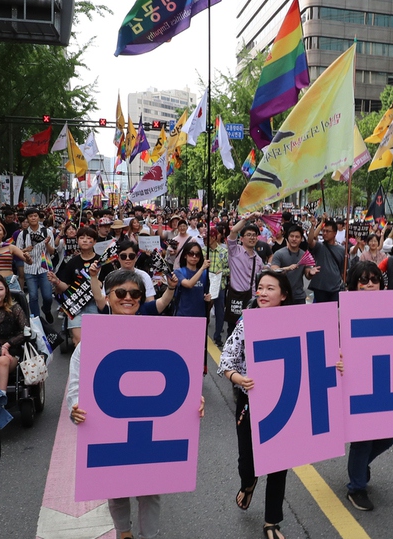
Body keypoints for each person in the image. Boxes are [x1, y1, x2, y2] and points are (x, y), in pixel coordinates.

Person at [68, 268, 198, 539]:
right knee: (115, 486)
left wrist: (194, 399)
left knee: (151, 489)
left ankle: (150, 536)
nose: (128, 298)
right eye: (121, 293)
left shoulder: (159, 333)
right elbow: (77, 382)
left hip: (149, 423)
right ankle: (123, 532)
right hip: (111, 424)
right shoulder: (92, 338)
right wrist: (75, 407)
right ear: (108, 296)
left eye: (135, 293)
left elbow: (178, 376)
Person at [219, 270, 296, 539]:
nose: (262, 293)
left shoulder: (298, 323)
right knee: (247, 461)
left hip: (286, 402)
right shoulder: (246, 322)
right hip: (249, 402)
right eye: (260, 288)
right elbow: (226, 358)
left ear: (284, 295)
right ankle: (248, 483)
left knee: (278, 463)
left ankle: (272, 521)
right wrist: (239, 378)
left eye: (270, 288)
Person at [343, 261, 393, 510]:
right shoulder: (340, 312)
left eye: (374, 280)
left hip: (382, 382)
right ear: (354, 285)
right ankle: (356, 488)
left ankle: (360, 464)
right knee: (363, 439)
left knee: (388, 437)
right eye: (363, 280)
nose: (369, 285)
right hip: (354, 383)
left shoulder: (392, 310)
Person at [50, 226, 101, 346]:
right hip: (76, 305)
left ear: (94, 242)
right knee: (79, 340)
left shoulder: (101, 261)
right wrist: (56, 281)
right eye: (81, 238)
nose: (84, 240)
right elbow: (67, 287)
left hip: (96, 304)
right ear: (77, 241)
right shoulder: (72, 263)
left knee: (95, 340)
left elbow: (110, 285)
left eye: (89, 238)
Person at [225, 215, 265, 334]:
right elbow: (233, 231)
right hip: (236, 298)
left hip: (251, 300)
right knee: (233, 331)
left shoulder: (258, 259)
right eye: (248, 235)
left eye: (254, 235)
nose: (252, 238)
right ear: (241, 239)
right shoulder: (235, 251)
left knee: (249, 332)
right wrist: (247, 218)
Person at [16, 208, 57, 323]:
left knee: (48, 296)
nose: (33, 218)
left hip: (45, 268)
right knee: (33, 296)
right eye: (30, 216)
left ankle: (47, 309)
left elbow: (52, 251)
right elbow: (18, 252)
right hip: (30, 269)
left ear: (39, 217)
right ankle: (37, 320)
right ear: (27, 219)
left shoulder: (47, 232)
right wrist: (26, 250)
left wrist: (47, 243)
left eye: (35, 216)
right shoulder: (23, 234)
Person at [270, 225, 318, 306]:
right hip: (282, 295)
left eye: (297, 237)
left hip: (299, 296)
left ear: (301, 239)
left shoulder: (304, 255)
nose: (294, 239)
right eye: (292, 236)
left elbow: (307, 275)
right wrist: (288, 268)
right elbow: (274, 271)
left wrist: (311, 273)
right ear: (287, 237)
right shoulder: (279, 253)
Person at [307, 218, 345, 303]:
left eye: (328, 231)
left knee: (334, 311)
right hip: (320, 287)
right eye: (323, 231)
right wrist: (314, 226)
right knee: (321, 312)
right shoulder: (319, 246)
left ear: (335, 233)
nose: (324, 233)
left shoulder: (342, 250)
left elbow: (343, 270)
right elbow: (310, 241)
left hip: (335, 287)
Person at [173, 242, 212, 317]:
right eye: (191, 253)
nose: (194, 257)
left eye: (197, 255)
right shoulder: (179, 272)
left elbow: (207, 294)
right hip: (183, 315)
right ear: (185, 255)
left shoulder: (204, 274)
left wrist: (208, 299)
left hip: (200, 316)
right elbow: (188, 284)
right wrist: (202, 268)